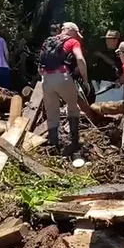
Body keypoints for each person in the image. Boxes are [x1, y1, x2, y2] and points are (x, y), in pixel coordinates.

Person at [39, 22, 89, 151]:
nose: (77, 37)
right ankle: (74, 141)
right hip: (62, 76)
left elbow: (41, 61)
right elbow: (80, 59)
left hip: (46, 78)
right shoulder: (72, 42)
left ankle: (54, 145)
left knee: (52, 113)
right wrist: (85, 80)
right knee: (73, 107)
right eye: (76, 34)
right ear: (70, 31)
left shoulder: (48, 41)